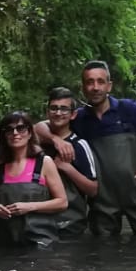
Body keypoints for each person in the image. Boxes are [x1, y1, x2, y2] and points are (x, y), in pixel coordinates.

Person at [41, 61, 136, 236]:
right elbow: (38, 128)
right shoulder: (78, 117)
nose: (95, 87)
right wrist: (55, 139)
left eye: (100, 82)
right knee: (102, 248)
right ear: (83, 87)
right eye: (90, 82)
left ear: (109, 85)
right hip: (102, 199)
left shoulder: (127, 109)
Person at [0, 111, 68, 246]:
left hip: (40, 241)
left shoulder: (44, 162)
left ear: (30, 133)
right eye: (9, 130)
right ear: (4, 135)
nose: (15, 133)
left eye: (21, 128)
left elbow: (62, 202)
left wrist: (30, 207)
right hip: (4, 241)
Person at [43, 86, 98, 238]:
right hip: (41, 222)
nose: (58, 113)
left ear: (73, 114)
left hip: (70, 224)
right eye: (54, 108)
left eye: (64, 109)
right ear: (47, 112)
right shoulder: (37, 142)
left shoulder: (80, 145)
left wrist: (67, 168)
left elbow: (93, 189)